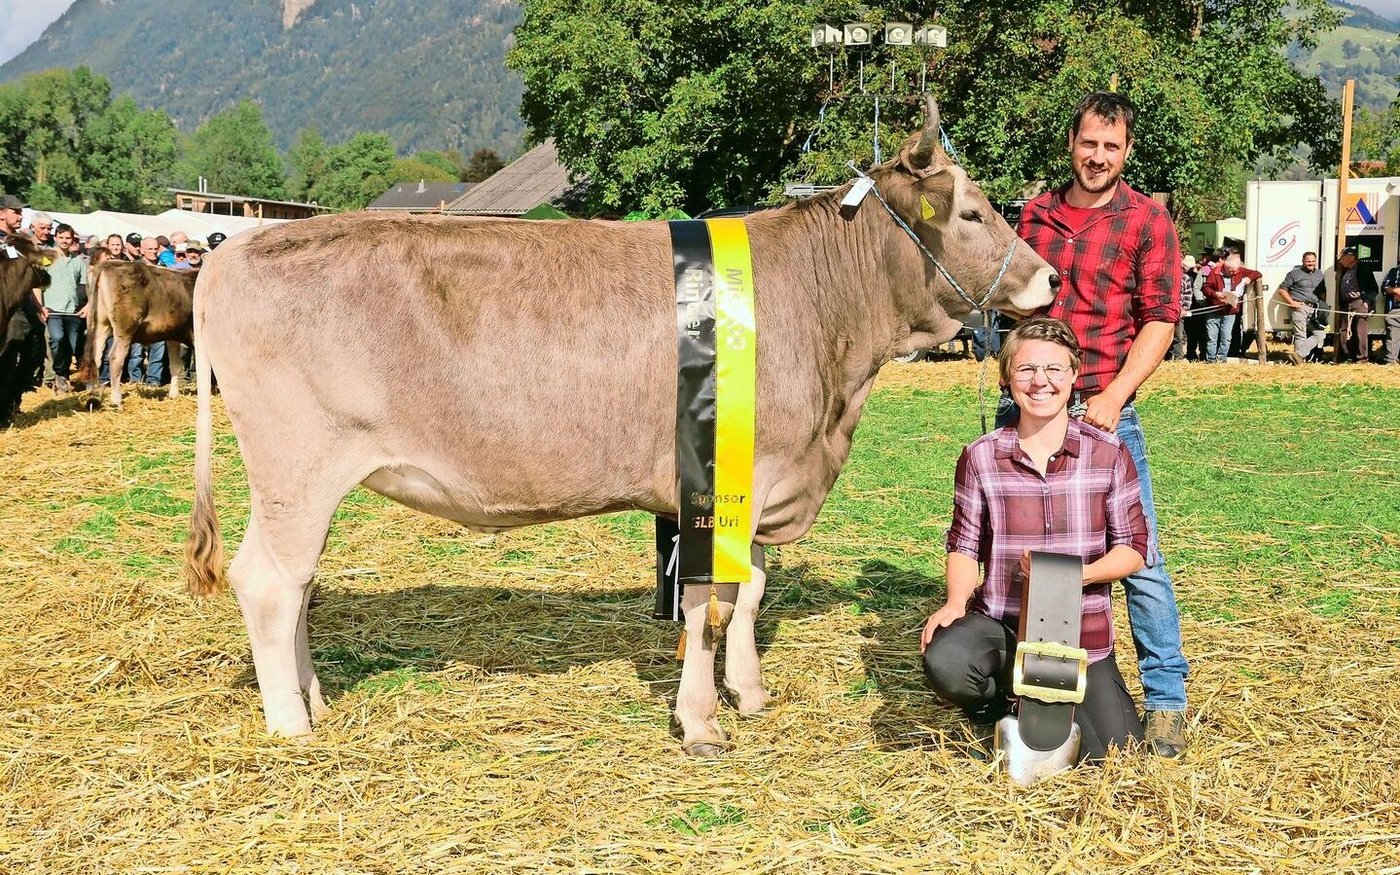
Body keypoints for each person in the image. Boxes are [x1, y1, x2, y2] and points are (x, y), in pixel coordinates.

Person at [1013, 90, 1190, 757]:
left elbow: (1161, 320)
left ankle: (1167, 699)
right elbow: (1014, 312)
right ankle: (1035, 693)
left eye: (1111, 146)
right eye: (1089, 142)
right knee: (1031, 550)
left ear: (1127, 151)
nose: (1098, 156)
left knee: (1140, 557)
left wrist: (1113, 397)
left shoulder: (1148, 219)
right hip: (1033, 404)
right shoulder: (1033, 216)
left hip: (1106, 409)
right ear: (1072, 142)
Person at [923, 318, 1148, 764]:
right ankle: (996, 703)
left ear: (1073, 377)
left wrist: (1074, 576)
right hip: (1005, 627)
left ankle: (1065, 702)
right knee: (948, 660)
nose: (1040, 382)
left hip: (1081, 637)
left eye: (1053, 370)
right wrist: (953, 603)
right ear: (1007, 378)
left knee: (1118, 757)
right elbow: (965, 543)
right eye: (1026, 370)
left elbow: (1133, 549)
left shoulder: (1109, 454)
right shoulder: (981, 456)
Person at [40, 224, 89, 394]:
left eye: (68, 238)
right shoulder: (47, 257)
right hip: (53, 308)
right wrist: (41, 306)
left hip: (73, 310)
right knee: (58, 339)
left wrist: (87, 306)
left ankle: (66, 376)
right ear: (55, 238)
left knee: (74, 345)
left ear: (72, 239)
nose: (65, 241)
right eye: (61, 237)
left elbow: (85, 287)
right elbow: (37, 284)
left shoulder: (78, 261)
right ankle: (59, 373)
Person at [1202, 248, 1262, 363]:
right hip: (1214, 309)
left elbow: (1258, 273)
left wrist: (1249, 278)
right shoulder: (1215, 272)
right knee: (1212, 337)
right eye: (1230, 270)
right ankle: (1210, 360)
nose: (1233, 273)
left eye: (1235, 271)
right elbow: (1205, 288)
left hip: (1230, 310)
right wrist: (1216, 294)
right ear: (1225, 265)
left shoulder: (1240, 270)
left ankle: (1221, 359)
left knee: (1226, 337)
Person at [1277, 251, 1325, 364]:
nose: (1311, 263)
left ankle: (1298, 355)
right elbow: (1282, 290)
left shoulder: (1319, 273)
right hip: (1299, 307)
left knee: (1320, 334)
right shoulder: (1293, 274)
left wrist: (1323, 305)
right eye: (1308, 261)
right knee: (1300, 335)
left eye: (1313, 261)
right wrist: (1292, 303)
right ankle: (1299, 362)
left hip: (1315, 309)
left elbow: (1323, 291)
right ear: (1303, 261)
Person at [1335, 247, 1379, 363]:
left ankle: (1362, 359)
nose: (1340, 260)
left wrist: (1367, 302)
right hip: (1346, 304)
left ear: (1352, 257)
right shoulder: (1346, 270)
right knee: (1345, 331)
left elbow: (1374, 288)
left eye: (1343, 257)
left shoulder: (1363, 268)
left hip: (1359, 302)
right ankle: (1349, 356)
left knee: (1360, 332)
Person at [1169, 255, 1196, 360]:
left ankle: (1177, 356)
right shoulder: (1170, 276)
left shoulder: (1185, 278)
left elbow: (1188, 294)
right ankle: (1166, 356)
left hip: (1180, 310)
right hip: (1169, 309)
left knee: (1178, 335)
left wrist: (1185, 309)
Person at [1383, 262, 1400, 365]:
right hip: (1395, 309)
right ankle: (1391, 361)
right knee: (1392, 335)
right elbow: (1384, 288)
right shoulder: (1393, 271)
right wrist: (1395, 290)